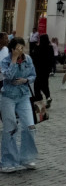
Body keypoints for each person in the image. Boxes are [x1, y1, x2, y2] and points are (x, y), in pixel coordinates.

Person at [0, 38, 38, 172]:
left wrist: (26, 80)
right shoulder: (5, 61)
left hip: (24, 96)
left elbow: (33, 75)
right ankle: (8, 161)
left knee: (29, 126)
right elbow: (8, 76)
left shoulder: (28, 59)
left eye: (23, 47)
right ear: (12, 49)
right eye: (18, 48)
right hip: (8, 97)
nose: (21, 50)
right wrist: (14, 60)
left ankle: (27, 158)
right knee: (10, 128)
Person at [32, 34, 54, 108]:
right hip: (46, 70)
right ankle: (48, 97)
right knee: (45, 84)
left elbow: (34, 57)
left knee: (37, 86)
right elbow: (52, 59)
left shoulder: (38, 48)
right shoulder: (50, 48)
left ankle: (39, 101)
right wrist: (50, 68)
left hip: (38, 69)